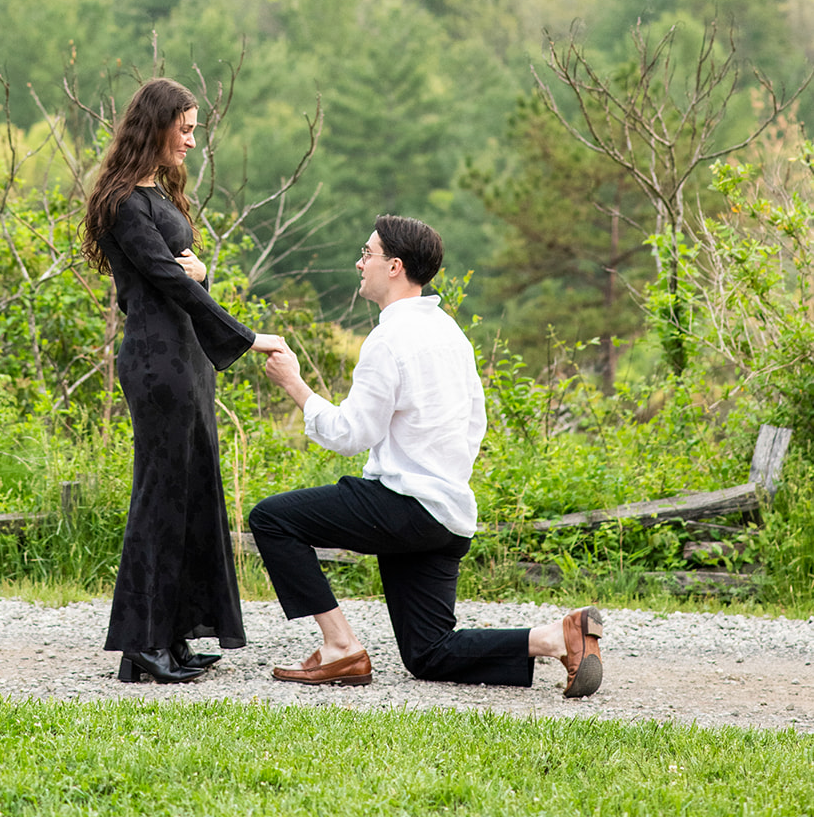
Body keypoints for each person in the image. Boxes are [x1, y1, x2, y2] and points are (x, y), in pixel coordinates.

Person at [250, 214, 604, 696]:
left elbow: (350, 434)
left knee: (273, 519)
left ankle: (339, 647)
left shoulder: (389, 339)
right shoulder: (450, 333)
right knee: (429, 653)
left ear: (394, 266)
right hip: (446, 515)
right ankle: (554, 638)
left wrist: (295, 384)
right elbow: (474, 422)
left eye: (367, 254)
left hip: (404, 507)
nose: (360, 263)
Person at [82, 77, 285, 684]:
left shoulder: (158, 196)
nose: (193, 141)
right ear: (157, 125)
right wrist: (248, 338)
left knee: (193, 493)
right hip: (157, 363)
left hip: (187, 358)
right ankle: (143, 643)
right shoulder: (122, 202)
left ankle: (171, 635)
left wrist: (199, 269)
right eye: (186, 128)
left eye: (196, 128)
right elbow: (167, 283)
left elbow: (179, 274)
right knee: (161, 496)